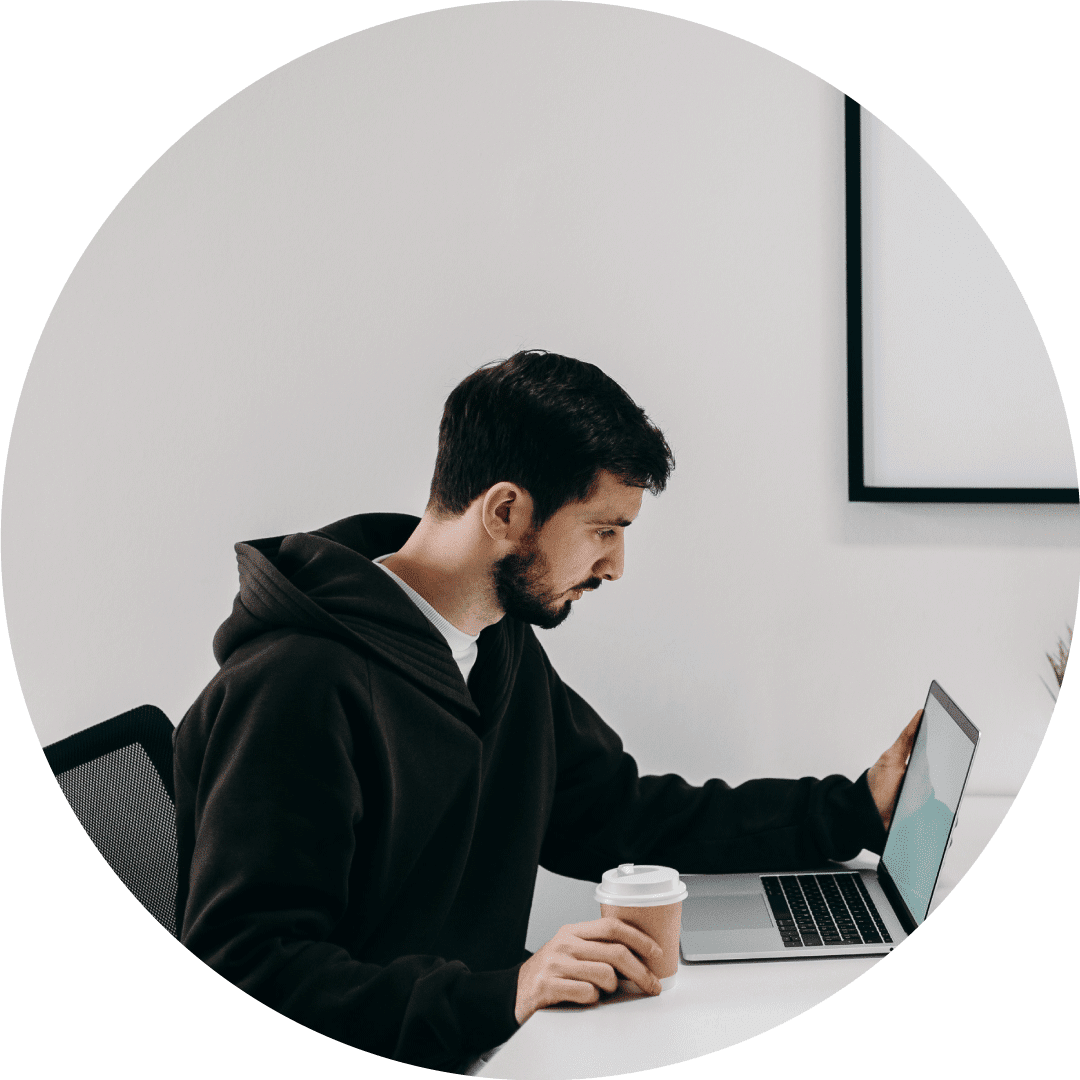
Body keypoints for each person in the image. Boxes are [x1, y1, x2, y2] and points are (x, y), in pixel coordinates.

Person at [174, 350, 920, 1071]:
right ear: (507, 510)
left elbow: (616, 813)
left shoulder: (498, 647)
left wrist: (851, 809)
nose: (615, 566)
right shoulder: (295, 685)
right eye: (604, 529)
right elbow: (248, 975)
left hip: (490, 1048)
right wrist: (508, 992)